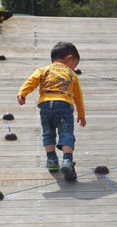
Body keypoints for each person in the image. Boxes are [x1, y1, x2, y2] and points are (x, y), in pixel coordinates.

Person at [17, 42, 86, 180]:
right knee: (66, 132)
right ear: (69, 58)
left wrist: (22, 93)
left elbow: (31, 81)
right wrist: (81, 115)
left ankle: (52, 161)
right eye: (75, 64)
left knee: (48, 132)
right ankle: (67, 161)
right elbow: (78, 96)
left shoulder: (43, 70)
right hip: (64, 105)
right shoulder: (71, 74)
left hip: (45, 105)